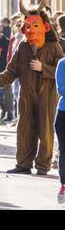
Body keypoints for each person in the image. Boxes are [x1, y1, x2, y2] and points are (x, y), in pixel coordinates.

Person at [0, 0, 64, 175]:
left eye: (34, 26)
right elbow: (12, 70)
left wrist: (44, 68)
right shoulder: (22, 46)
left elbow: (62, 69)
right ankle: (23, 164)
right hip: (26, 96)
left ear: (45, 27)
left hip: (47, 96)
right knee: (25, 129)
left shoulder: (54, 46)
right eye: (27, 27)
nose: (30, 31)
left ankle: (43, 166)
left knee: (45, 131)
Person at [55, 56, 65, 203]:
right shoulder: (62, 63)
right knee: (64, 150)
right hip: (64, 114)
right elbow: (61, 88)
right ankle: (64, 184)